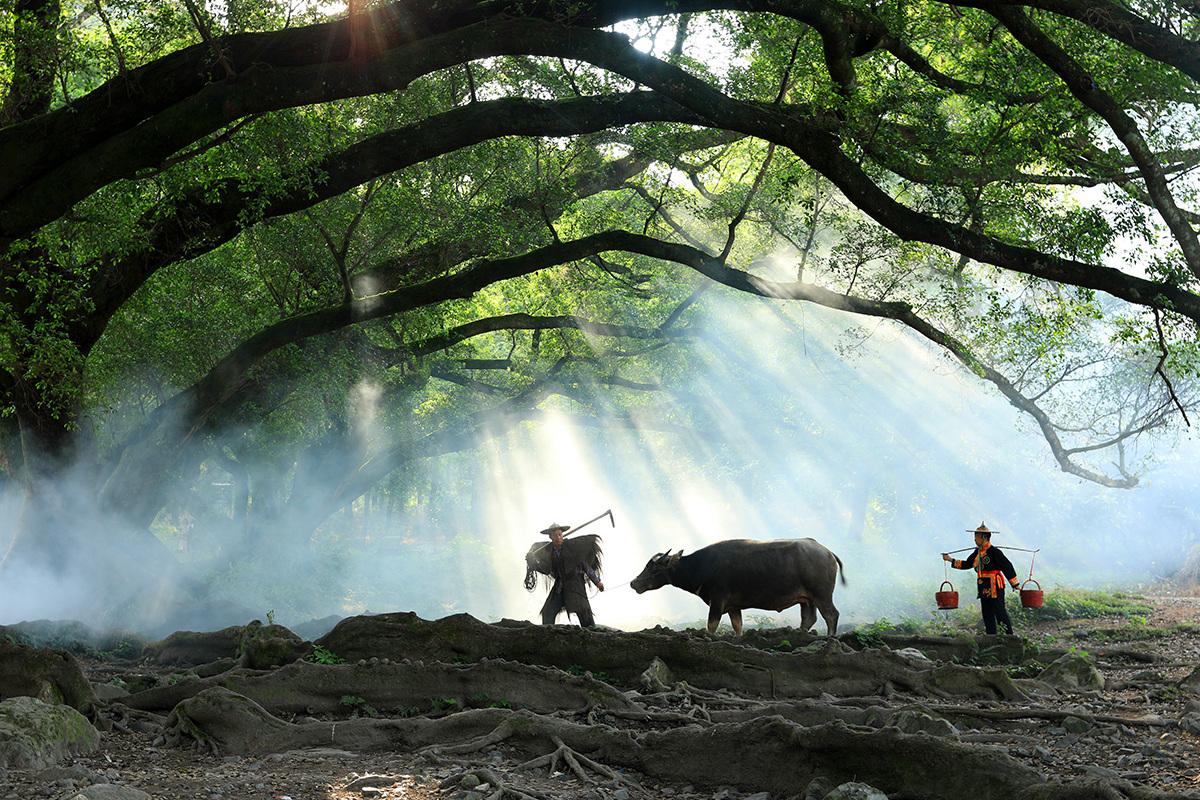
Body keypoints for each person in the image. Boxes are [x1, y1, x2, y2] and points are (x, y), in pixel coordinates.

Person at [942, 522, 1020, 635]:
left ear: (983, 537)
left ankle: (1009, 636)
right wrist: (950, 559)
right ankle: (991, 636)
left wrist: (1014, 584)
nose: (974, 540)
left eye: (976, 537)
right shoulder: (977, 552)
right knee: (987, 612)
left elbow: (1007, 566)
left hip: (995, 585)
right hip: (983, 585)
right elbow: (967, 564)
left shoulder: (994, 552)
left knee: (1000, 611)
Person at [532, 522, 605, 628]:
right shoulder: (550, 552)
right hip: (560, 587)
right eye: (555, 535)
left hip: (575, 585)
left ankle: (593, 633)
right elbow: (547, 569)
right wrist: (533, 564)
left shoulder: (573, 549)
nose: (558, 537)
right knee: (548, 611)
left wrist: (598, 582)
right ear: (551, 537)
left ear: (562, 535)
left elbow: (587, 568)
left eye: (560, 534)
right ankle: (548, 634)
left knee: (584, 612)